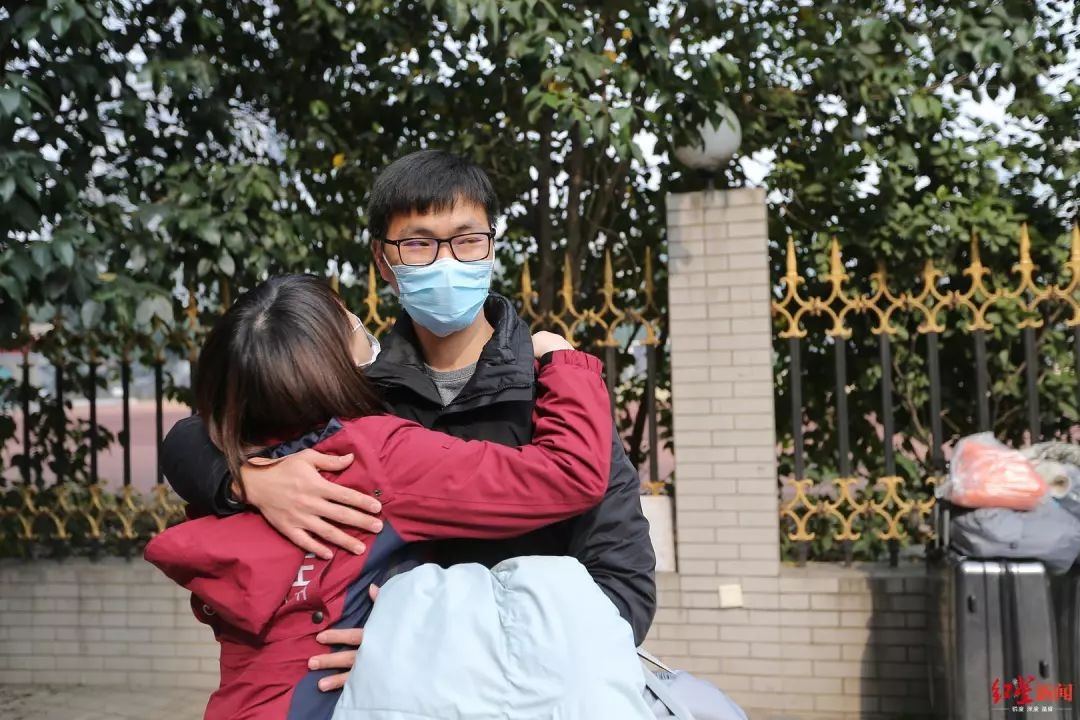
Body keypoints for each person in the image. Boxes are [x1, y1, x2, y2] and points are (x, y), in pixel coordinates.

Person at [160, 150, 657, 687]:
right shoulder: (355, 393)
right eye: (419, 243)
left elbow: (624, 595)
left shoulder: (558, 396)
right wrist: (247, 479)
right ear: (383, 260)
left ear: (492, 246)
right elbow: (195, 435)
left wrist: (429, 650)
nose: (447, 261)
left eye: (467, 239)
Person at [146, 274, 618, 719]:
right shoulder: (374, 456)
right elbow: (571, 474)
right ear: (326, 360)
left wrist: (245, 479)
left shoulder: (235, 457)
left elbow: (187, 436)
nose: (359, 325)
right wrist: (563, 360)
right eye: (347, 321)